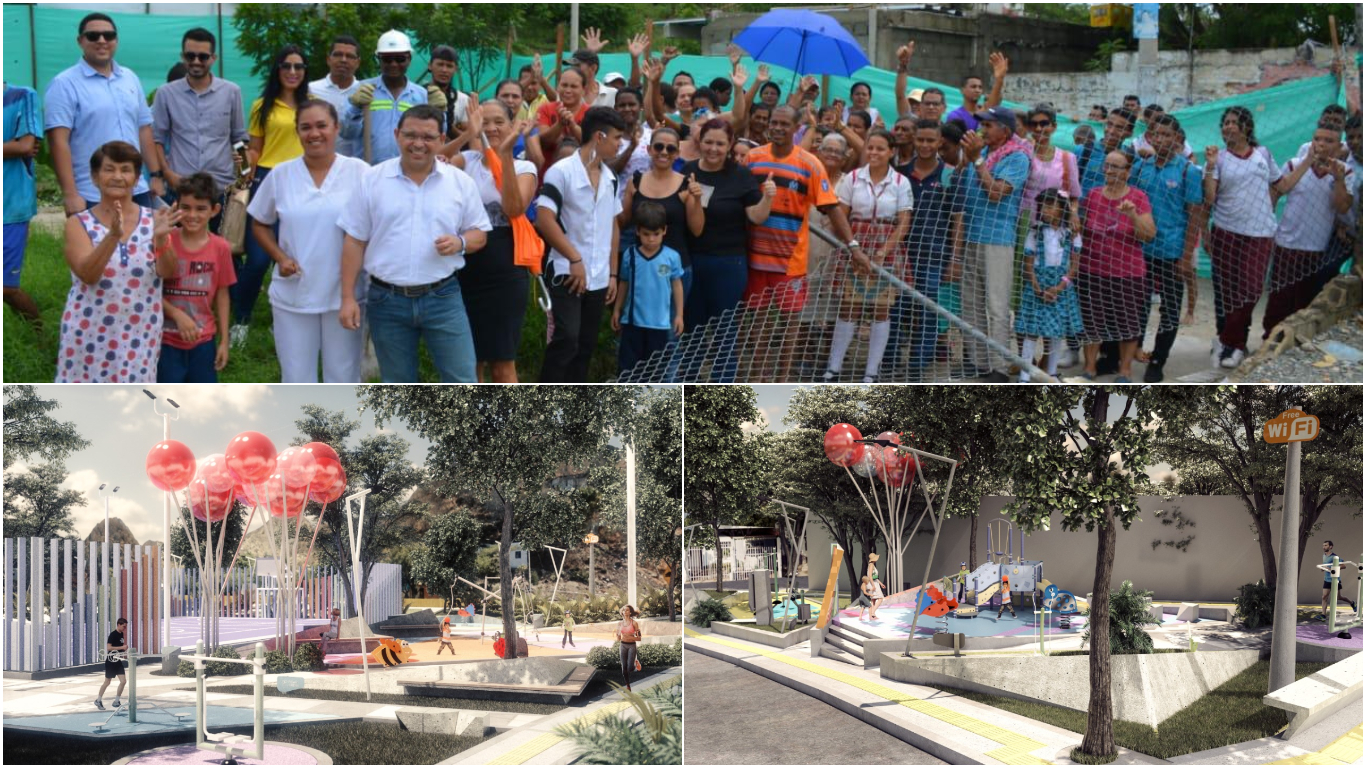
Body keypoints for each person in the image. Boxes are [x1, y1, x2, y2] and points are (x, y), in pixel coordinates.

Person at [338, 105, 491, 383]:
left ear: (442, 140)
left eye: (428, 137)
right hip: (387, 300)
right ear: (397, 135)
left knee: (462, 381)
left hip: (443, 296)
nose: (418, 144)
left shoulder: (459, 182)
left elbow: (480, 232)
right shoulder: (372, 179)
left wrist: (460, 242)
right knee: (398, 386)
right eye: (410, 135)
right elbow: (354, 240)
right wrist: (348, 297)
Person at [743, 105, 869, 382]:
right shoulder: (752, 159)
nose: (777, 128)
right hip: (754, 257)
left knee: (791, 324)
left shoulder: (810, 163)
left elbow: (832, 207)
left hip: (791, 260)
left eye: (784, 124)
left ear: (796, 127)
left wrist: (854, 246)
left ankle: (783, 378)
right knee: (758, 321)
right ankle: (756, 376)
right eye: (774, 123)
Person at [248, 99, 369, 383]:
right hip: (294, 293)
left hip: (345, 294)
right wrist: (280, 257)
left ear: (336, 128)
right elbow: (260, 223)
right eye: (306, 127)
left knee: (343, 376)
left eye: (321, 125)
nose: (314, 133)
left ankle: (340, 429)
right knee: (296, 376)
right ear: (297, 132)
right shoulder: (281, 174)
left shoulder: (360, 172)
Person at [59, 142, 180, 383]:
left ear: (136, 179)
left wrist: (161, 238)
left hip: (139, 333)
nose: (117, 177)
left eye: (126, 170)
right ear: (95, 177)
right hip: (89, 332)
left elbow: (167, 271)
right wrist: (113, 235)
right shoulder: (78, 223)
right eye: (109, 169)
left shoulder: (156, 219)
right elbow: (88, 275)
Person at [449, 99, 539, 383]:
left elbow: (513, 208)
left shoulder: (525, 168)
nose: (491, 127)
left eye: (499, 121)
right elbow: (429, 164)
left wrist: (505, 156)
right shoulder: (467, 161)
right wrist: (467, 135)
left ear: (512, 125)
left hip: (505, 269)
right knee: (468, 360)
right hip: (464, 266)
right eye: (484, 121)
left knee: (502, 362)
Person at [536, 106, 626, 382]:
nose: (620, 144)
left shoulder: (610, 178)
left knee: (585, 345)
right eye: (616, 137)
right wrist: (574, 259)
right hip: (566, 271)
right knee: (567, 339)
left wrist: (612, 274)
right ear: (599, 136)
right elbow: (544, 219)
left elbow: (613, 225)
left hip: (599, 276)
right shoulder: (561, 171)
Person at [45, 12, 165, 216]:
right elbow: (58, 142)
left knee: (144, 246)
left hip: (136, 188)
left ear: (116, 40)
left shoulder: (129, 78)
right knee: (98, 248)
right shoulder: (64, 84)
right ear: (80, 41)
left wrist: (155, 174)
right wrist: (70, 194)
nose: (102, 40)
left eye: (108, 35)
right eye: (93, 36)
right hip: (91, 193)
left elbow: (144, 129)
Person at [1204, 106, 1296, 369]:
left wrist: (1310, 160)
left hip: (1260, 233)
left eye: (1233, 122)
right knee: (1230, 293)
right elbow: (1210, 198)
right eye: (1225, 123)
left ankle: (1226, 339)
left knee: (1252, 290)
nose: (1227, 127)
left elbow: (1283, 185)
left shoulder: (1263, 155)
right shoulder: (1218, 158)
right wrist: (1210, 167)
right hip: (1227, 231)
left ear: (1246, 127)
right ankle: (1236, 345)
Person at [234, 45, 309, 348]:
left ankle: (289, 319)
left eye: (299, 67)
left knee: (298, 255)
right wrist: (243, 165)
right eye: (286, 66)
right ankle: (240, 320)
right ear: (277, 69)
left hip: (304, 181)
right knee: (258, 258)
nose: (292, 72)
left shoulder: (312, 104)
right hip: (266, 180)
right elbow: (255, 148)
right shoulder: (262, 105)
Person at [824, 130, 913, 383]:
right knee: (848, 307)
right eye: (870, 148)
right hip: (854, 245)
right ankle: (834, 367)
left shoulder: (900, 183)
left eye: (880, 148)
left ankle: (871, 371)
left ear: (891, 152)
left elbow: (903, 223)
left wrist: (883, 252)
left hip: (887, 249)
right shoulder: (852, 178)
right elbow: (840, 215)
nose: (874, 153)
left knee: (881, 310)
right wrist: (854, 247)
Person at [1129, 113, 1205, 383]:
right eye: (1156, 134)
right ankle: (1133, 351)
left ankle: (1158, 361)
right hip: (1141, 250)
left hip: (1172, 252)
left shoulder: (1188, 171)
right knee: (1137, 304)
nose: (1160, 139)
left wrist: (1186, 257)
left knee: (1170, 310)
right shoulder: (1141, 167)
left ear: (1177, 139)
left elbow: (1195, 214)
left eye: (1166, 135)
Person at [885, 119, 963, 377]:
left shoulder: (951, 175)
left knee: (928, 311)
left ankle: (918, 365)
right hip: (901, 254)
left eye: (931, 140)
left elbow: (957, 219)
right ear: (914, 140)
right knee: (895, 308)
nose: (925, 145)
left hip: (934, 255)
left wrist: (954, 259)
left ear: (940, 141)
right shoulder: (900, 173)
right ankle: (890, 361)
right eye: (921, 140)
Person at [959, 106, 1031, 381]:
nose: (982, 130)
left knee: (997, 307)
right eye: (982, 125)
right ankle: (980, 364)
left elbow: (996, 193)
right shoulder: (984, 153)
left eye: (988, 125)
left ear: (1005, 130)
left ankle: (1000, 367)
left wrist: (976, 161)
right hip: (972, 236)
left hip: (998, 240)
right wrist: (971, 159)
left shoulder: (1017, 157)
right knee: (971, 305)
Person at [1262, 121, 1354, 337]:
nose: (1321, 144)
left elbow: (1342, 206)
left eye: (1328, 141)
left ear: (1338, 145)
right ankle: (1269, 340)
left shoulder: (1344, 172)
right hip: (1287, 244)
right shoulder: (1294, 164)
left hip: (1316, 249)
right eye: (1317, 139)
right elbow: (1277, 192)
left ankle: (1292, 345)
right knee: (1278, 300)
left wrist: (1338, 178)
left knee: (1304, 304)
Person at [152, 26, 247, 230]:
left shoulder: (231, 92)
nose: (196, 61)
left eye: (202, 56)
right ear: (182, 56)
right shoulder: (166, 94)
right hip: (181, 185)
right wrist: (167, 174)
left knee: (223, 250)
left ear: (213, 58)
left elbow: (239, 138)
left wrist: (244, 176)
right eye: (190, 56)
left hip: (221, 187)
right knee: (177, 249)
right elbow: (156, 139)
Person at [1080, 150, 1155, 382]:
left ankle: (1124, 370)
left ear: (1128, 171)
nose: (1110, 171)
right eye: (1108, 165)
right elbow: (1081, 229)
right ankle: (1090, 367)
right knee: (1092, 321)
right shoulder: (1092, 195)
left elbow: (1149, 235)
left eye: (1116, 167)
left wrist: (1132, 214)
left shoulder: (1139, 197)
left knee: (1128, 322)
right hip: (1092, 269)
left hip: (1127, 272)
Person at [159, 173, 234, 383]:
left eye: (200, 208)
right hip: (165, 341)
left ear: (214, 210)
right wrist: (175, 314)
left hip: (203, 341)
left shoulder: (221, 248)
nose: (192, 215)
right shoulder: (164, 240)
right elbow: (148, 290)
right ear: (176, 207)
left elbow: (222, 293)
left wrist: (224, 341)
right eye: (186, 207)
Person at [1015, 189, 1083, 382]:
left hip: (1060, 287)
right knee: (1031, 331)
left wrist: (1059, 287)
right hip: (1038, 285)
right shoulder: (1035, 232)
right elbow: (1028, 264)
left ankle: (1051, 373)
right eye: (1044, 205)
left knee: (1055, 331)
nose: (1047, 209)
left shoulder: (1071, 233)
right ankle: (1024, 375)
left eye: (1052, 205)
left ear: (1063, 209)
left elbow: (1074, 266)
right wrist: (1037, 288)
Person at [343, 30, 437, 165]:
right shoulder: (362, 89)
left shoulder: (420, 95)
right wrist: (355, 108)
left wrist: (440, 112)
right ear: (378, 59)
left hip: (406, 173)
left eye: (400, 59)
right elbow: (347, 134)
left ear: (409, 58)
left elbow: (432, 136)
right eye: (387, 59)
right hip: (368, 172)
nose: (393, 64)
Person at [613, 200, 684, 374]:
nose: (651, 239)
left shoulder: (672, 257)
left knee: (654, 372)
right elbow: (623, 282)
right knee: (628, 370)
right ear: (637, 231)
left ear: (664, 231)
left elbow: (677, 286)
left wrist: (680, 315)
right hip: (632, 324)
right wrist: (617, 310)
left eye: (656, 234)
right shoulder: (630, 255)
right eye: (646, 234)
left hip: (659, 325)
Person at [621, 127, 692, 298]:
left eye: (671, 148)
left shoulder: (687, 184)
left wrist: (695, 200)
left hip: (676, 267)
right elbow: (622, 221)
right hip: (641, 265)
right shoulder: (635, 181)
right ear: (649, 149)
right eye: (659, 147)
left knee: (672, 322)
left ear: (677, 153)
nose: (664, 152)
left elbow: (696, 229)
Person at [4, 80, 42, 324]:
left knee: (6, 288)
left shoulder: (22, 96)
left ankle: (40, 334)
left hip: (11, 206)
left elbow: (26, 145)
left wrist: (19, 147)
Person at [1022, 104, 1080, 227]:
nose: (1038, 128)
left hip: (1052, 226)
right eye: (1033, 124)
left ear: (1053, 127)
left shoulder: (1067, 158)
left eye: (1044, 124)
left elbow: (1074, 196)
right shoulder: (1022, 151)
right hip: (1022, 221)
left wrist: (1073, 214)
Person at [308, 35, 362, 157]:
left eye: (350, 56)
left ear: (358, 62)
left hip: (354, 167)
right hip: (318, 163)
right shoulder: (311, 90)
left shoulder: (364, 92)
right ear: (328, 59)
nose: (343, 59)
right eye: (338, 54)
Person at [534, 67, 589, 169]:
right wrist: (559, 125)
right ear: (557, 87)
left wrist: (573, 126)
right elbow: (543, 142)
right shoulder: (545, 109)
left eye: (574, 86)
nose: (568, 90)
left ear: (584, 90)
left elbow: (591, 144)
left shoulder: (591, 113)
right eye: (564, 85)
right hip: (547, 174)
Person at [944, 52, 1009, 131]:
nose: (977, 90)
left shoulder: (985, 111)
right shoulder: (955, 116)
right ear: (962, 90)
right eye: (973, 87)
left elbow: (992, 105)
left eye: (980, 87)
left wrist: (999, 79)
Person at [1080, 108, 1136, 196]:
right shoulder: (1085, 150)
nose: (1111, 131)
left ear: (1130, 133)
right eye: (1109, 125)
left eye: (1119, 128)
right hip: (1085, 208)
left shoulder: (1131, 157)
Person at [94, 617, 129, 710]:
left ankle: (116, 701)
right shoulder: (113, 635)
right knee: (107, 682)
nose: (124, 628)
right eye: (123, 626)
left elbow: (119, 647)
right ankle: (98, 700)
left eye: (125, 627)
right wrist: (122, 647)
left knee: (123, 681)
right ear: (119, 625)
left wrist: (124, 650)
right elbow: (109, 648)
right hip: (111, 661)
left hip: (118, 660)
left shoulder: (121, 634)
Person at [1321, 540, 1358, 619]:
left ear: (1331, 547)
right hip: (1327, 579)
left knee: (1339, 597)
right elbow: (1326, 565)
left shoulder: (1335, 556)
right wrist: (1323, 568)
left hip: (1335, 580)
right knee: (1324, 596)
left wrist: (1331, 568)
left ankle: (1352, 603)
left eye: (1326, 545)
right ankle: (1323, 615)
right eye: (1323, 545)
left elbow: (1343, 566)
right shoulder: (1324, 555)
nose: (1324, 547)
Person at [617, 604, 643, 691]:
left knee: (630, 668)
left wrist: (631, 637)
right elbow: (618, 638)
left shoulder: (634, 623)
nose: (625, 612)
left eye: (627, 610)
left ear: (630, 612)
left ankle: (635, 663)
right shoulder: (619, 624)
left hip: (632, 645)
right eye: (624, 610)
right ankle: (628, 686)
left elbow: (639, 638)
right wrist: (618, 635)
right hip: (623, 645)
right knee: (623, 668)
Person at [866, 553, 886, 620]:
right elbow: (870, 577)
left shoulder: (872, 565)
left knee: (873, 600)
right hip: (873, 583)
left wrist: (880, 583)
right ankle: (872, 613)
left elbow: (875, 577)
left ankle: (872, 616)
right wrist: (873, 585)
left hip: (875, 583)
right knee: (880, 598)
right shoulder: (871, 565)